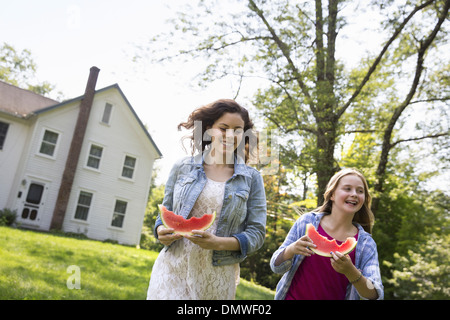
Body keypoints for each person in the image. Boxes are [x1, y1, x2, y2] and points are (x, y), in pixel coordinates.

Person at [147, 99, 267, 300]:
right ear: (209, 128)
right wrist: (160, 231)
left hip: (216, 274)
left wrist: (218, 243)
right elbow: (164, 213)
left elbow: (257, 234)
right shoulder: (182, 167)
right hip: (172, 267)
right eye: (223, 128)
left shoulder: (252, 178)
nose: (230, 135)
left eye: (238, 130)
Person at [270, 168, 384, 300]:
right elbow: (276, 266)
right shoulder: (307, 222)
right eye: (347, 189)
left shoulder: (366, 244)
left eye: (360, 191)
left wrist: (351, 272)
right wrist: (290, 250)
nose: (354, 194)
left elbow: (375, 294)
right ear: (332, 195)